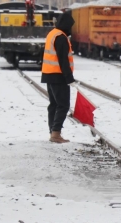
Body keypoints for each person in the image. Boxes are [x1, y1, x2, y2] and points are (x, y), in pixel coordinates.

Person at [41, 10, 76, 144]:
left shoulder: (52, 34)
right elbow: (63, 60)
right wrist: (69, 78)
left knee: (54, 105)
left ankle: (53, 132)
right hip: (58, 76)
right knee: (63, 105)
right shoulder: (61, 37)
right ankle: (56, 133)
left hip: (48, 74)